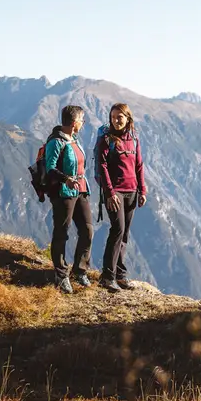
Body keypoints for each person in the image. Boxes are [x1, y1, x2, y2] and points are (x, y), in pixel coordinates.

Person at [95, 102, 147, 292]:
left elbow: (139, 165)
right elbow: (102, 166)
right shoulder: (107, 140)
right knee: (118, 230)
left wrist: (143, 190)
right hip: (115, 191)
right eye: (113, 117)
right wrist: (109, 192)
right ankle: (107, 276)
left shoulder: (134, 139)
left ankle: (120, 275)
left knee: (124, 234)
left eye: (119, 117)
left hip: (132, 191)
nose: (116, 120)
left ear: (127, 118)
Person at [44, 105, 93, 293]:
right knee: (61, 232)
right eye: (82, 120)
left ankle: (80, 270)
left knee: (87, 230)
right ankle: (61, 274)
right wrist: (66, 179)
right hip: (63, 193)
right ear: (74, 123)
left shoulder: (74, 140)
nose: (83, 123)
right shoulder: (56, 142)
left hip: (80, 190)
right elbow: (50, 168)